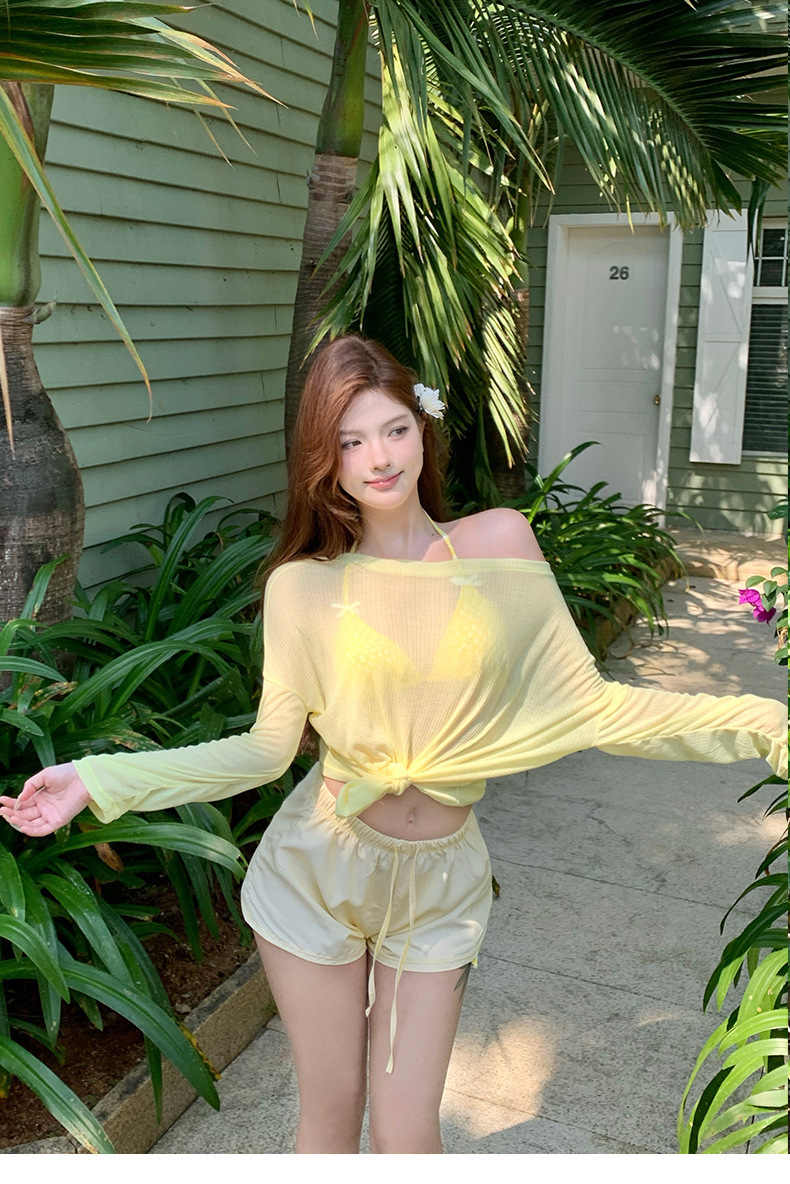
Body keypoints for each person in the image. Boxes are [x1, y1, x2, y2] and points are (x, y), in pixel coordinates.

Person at [1, 335, 786, 1155]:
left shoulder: (500, 543)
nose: (378, 458)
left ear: (423, 429)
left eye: (394, 430)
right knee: (331, 1117)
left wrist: (768, 725)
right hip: (317, 872)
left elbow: (593, 706)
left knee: (409, 1136)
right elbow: (265, 752)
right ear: (325, 460)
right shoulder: (302, 585)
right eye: (350, 441)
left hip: (441, 885)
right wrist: (97, 779)